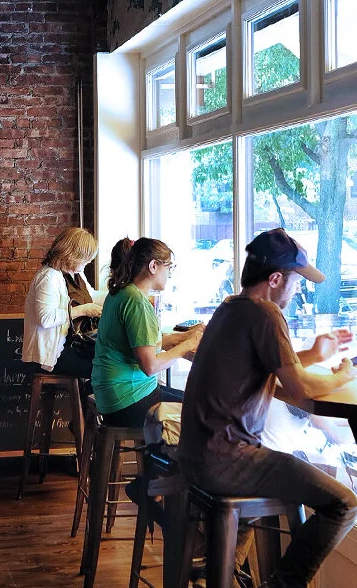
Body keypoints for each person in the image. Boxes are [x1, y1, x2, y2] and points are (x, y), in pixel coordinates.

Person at [178, 228, 357, 588]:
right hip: (227, 459)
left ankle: (213, 573)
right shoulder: (266, 314)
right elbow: (302, 390)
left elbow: (262, 371)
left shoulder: (231, 307)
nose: (299, 289)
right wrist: (344, 374)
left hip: (198, 454)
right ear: (275, 279)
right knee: (344, 503)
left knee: (272, 469)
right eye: (296, 281)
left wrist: (312, 355)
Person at [92, 237, 204, 428]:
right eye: (169, 267)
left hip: (113, 394)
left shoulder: (121, 292)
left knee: (196, 402)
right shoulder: (136, 302)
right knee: (204, 411)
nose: (170, 273)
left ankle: (159, 456)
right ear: (153, 266)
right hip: (128, 400)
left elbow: (143, 344)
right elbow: (150, 365)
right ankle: (162, 456)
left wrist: (185, 337)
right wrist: (188, 345)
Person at [22, 227, 105, 379]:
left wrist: (121, 297)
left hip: (73, 345)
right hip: (53, 354)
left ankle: (93, 400)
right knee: (107, 368)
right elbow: (45, 319)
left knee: (111, 361)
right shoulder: (49, 277)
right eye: (86, 258)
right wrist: (84, 310)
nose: (89, 261)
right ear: (73, 255)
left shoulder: (76, 274)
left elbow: (92, 296)